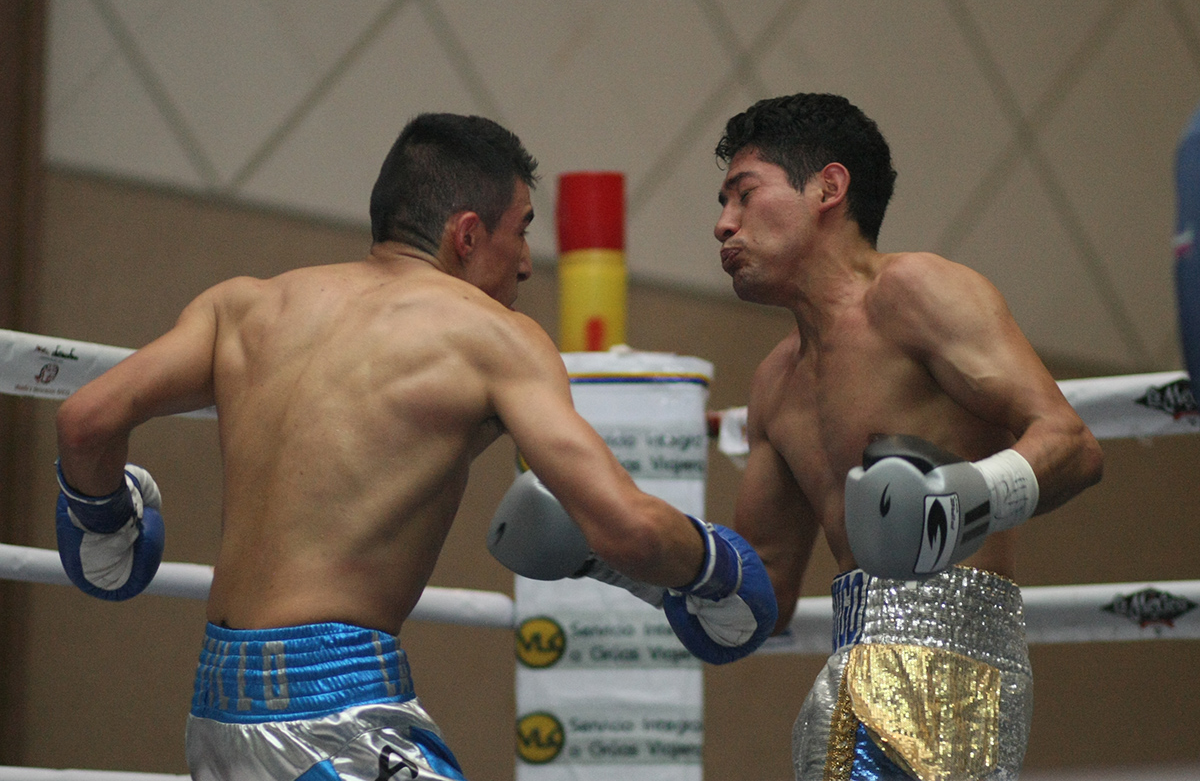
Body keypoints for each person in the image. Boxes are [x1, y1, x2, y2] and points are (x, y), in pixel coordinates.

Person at [53, 112, 774, 781]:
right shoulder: (492, 335)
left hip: (216, 713)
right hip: (337, 718)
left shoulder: (243, 305)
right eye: (520, 230)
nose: (526, 263)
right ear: (467, 234)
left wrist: (104, 520)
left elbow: (86, 421)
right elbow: (627, 526)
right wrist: (713, 569)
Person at [711, 93, 1104, 781]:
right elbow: (761, 597)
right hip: (847, 674)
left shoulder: (917, 291)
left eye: (744, 196)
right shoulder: (775, 381)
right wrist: (624, 556)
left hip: (954, 678)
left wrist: (967, 497)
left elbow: (1071, 443)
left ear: (828, 188)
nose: (723, 225)